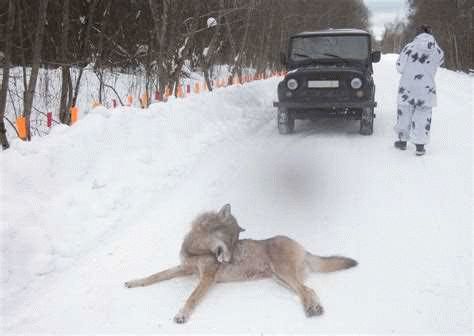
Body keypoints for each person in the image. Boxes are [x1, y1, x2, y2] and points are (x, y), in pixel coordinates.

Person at [394, 25, 444, 156]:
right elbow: (440, 62)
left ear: (417, 34)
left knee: (404, 114)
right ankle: (420, 147)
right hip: (426, 89)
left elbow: (399, 67)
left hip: (407, 88)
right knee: (423, 116)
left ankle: (402, 141)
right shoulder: (437, 50)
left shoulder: (409, 47)